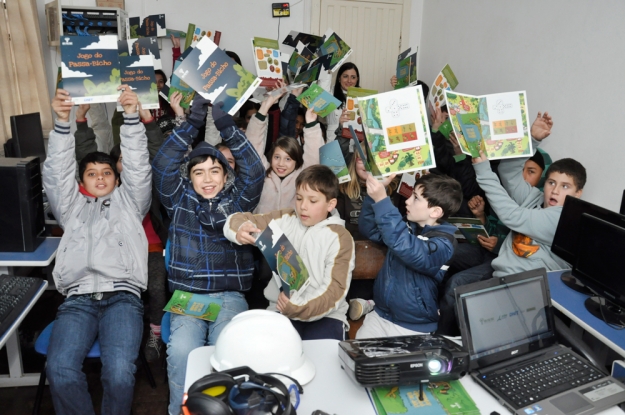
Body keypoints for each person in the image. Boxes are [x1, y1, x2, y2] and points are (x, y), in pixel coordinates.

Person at [151, 98, 264, 415]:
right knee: (182, 352)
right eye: (199, 172)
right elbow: (161, 165)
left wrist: (227, 125)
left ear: (226, 175)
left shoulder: (239, 198)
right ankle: (178, 411)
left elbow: (254, 171)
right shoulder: (178, 197)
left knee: (223, 352)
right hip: (189, 296)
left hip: (229, 295)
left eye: (215, 170)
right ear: (190, 178)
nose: (208, 178)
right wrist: (191, 122)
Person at [42, 86, 151, 415]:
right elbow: (57, 174)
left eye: (107, 173)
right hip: (77, 301)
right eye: (92, 173)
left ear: (116, 180)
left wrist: (131, 118)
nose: (100, 177)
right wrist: (63, 123)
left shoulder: (131, 204)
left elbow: (138, 166)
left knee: (118, 374)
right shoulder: (71, 208)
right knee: (59, 371)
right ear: (82, 181)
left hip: (122, 297)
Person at [439, 112, 587, 331]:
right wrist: (532, 140)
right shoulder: (535, 199)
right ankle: (446, 338)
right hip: (502, 270)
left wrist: (482, 167)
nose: (555, 190)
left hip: (526, 287)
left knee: (464, 297)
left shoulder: (564, 218)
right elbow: (508, 172)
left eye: (565, 187)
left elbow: (512, 216)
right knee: (455, 285)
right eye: (552, 183)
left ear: (578, 193)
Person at [73, 103, 170, 361]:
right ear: (115, 167)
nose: (128, 164)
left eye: (133, 159)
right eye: (121, 160)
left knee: (158, 286)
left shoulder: (148, 187)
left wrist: (148, 123)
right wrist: (81, 122)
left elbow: (157, 154)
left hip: (150, 247)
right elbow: (86, 158)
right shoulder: (106, 188)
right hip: (116, 249)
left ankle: (155, 334)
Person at [224, 165, 355, 341]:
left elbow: (334, 291)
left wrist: (297, 307)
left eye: (313, 201)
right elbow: (239, 218)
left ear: (330, 204)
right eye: (299, 198)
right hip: (280, 310)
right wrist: (239, 229)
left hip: (326, 316)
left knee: (324, 358)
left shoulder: (340, 238)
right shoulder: (285, 219)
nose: (303, 207)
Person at [355, 171, 462, 338]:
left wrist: (382, 200)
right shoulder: (406, 226)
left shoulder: (444, 244)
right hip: (380, 315)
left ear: (435, 212)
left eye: (416, 198)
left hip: (413, 326)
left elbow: (406, 247)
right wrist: (373, 198)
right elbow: (370, 230)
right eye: (411, 195)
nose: (408, 201)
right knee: (358, 361)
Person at [246, 89, 324, 213]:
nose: (281, 163)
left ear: (296, 161)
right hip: (260, 230)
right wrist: (265, 107)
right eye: (277, 157)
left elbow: (314, 156)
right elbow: (252, 145)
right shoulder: (263, 173)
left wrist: (311, 123)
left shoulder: (301, 178)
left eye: (288, 159)